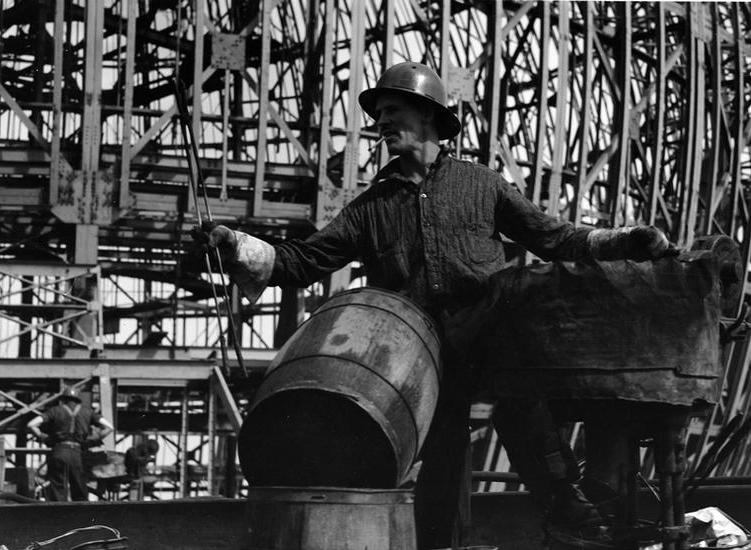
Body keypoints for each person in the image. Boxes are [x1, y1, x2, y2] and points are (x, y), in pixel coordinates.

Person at [185, 62, 677, 549]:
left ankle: (573, 517)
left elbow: (552, 237)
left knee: (525, 410)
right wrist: (238, 248)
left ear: (427, 114)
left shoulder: (481, 185)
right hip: (421, 357)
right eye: (378, 114)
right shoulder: (371, 208)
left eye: (392, 110)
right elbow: (305, 260)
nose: (381, 122)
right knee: (441, 459)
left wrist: (623, 240)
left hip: (489, 335)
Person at [28, 386, 114, 502]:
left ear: (63, 399)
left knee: (57, 489)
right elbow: (109, 427)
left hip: (59, 452)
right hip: (77, 454)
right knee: (79, 489)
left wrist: (45, 438)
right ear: (78, 399)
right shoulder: (87, 412)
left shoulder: (55, 410)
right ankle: (80, 512)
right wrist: (92, 440)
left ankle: (58, 512)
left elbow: (31, 424)